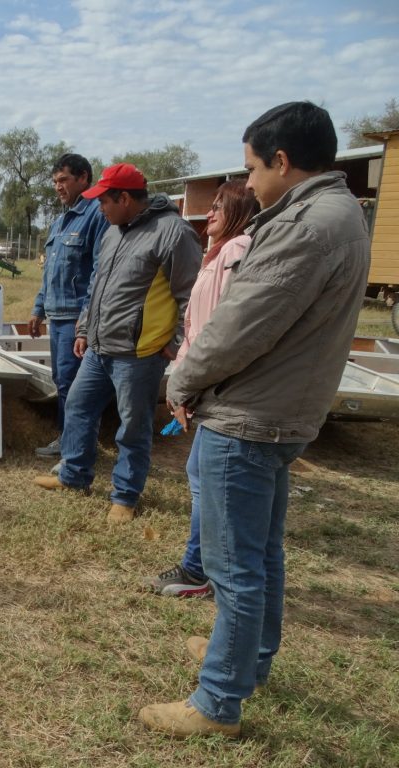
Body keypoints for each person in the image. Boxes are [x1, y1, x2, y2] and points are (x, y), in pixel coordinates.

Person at [141, 102, 371, 738]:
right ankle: (248, 660)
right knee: (260, 554)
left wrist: (181, 379)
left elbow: (242, 326)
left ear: (281, 160)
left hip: (248, 417)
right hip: (281, 412)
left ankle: (218, 700)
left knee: (233, 567)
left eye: (251, 168)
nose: (247, 184)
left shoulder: (307, 227)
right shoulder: (337, 212)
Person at [33, 163, 201, 524]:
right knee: (78, 408)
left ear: (124, 198)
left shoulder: (173, 232)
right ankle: (74, 477)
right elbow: (95, 287)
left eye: (105, 201)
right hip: (98, 348)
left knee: (132, 428)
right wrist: (83, 329)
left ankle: (125, 496)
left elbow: (190, 294)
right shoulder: (113, 231)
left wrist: (178, 342)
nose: (100, 208)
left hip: (138, 354)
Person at [148, 180, 259, 597]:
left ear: (240, 213)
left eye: (218, 207)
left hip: (211, 385)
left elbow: (216, 330)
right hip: (204, 379)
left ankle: (201, 571)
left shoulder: (234, 252)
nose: (208, 214)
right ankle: (206, 568)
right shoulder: (220, 254)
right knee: (202, 476)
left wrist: (187, 385)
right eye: (210, 206)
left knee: (208, 482)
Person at [29, 153, 109, 457]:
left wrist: (85, 324)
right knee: (64, 381)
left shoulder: (96, 216)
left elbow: (98, 274)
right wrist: (38, 309)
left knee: (75, 386)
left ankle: (76, 445)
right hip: (56, 316)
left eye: (63, 180)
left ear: (84, 178)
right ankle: (71, 441)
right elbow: (50, 271)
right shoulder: (60, 222)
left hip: (76, 317)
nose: (58, 187)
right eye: (55, 182)